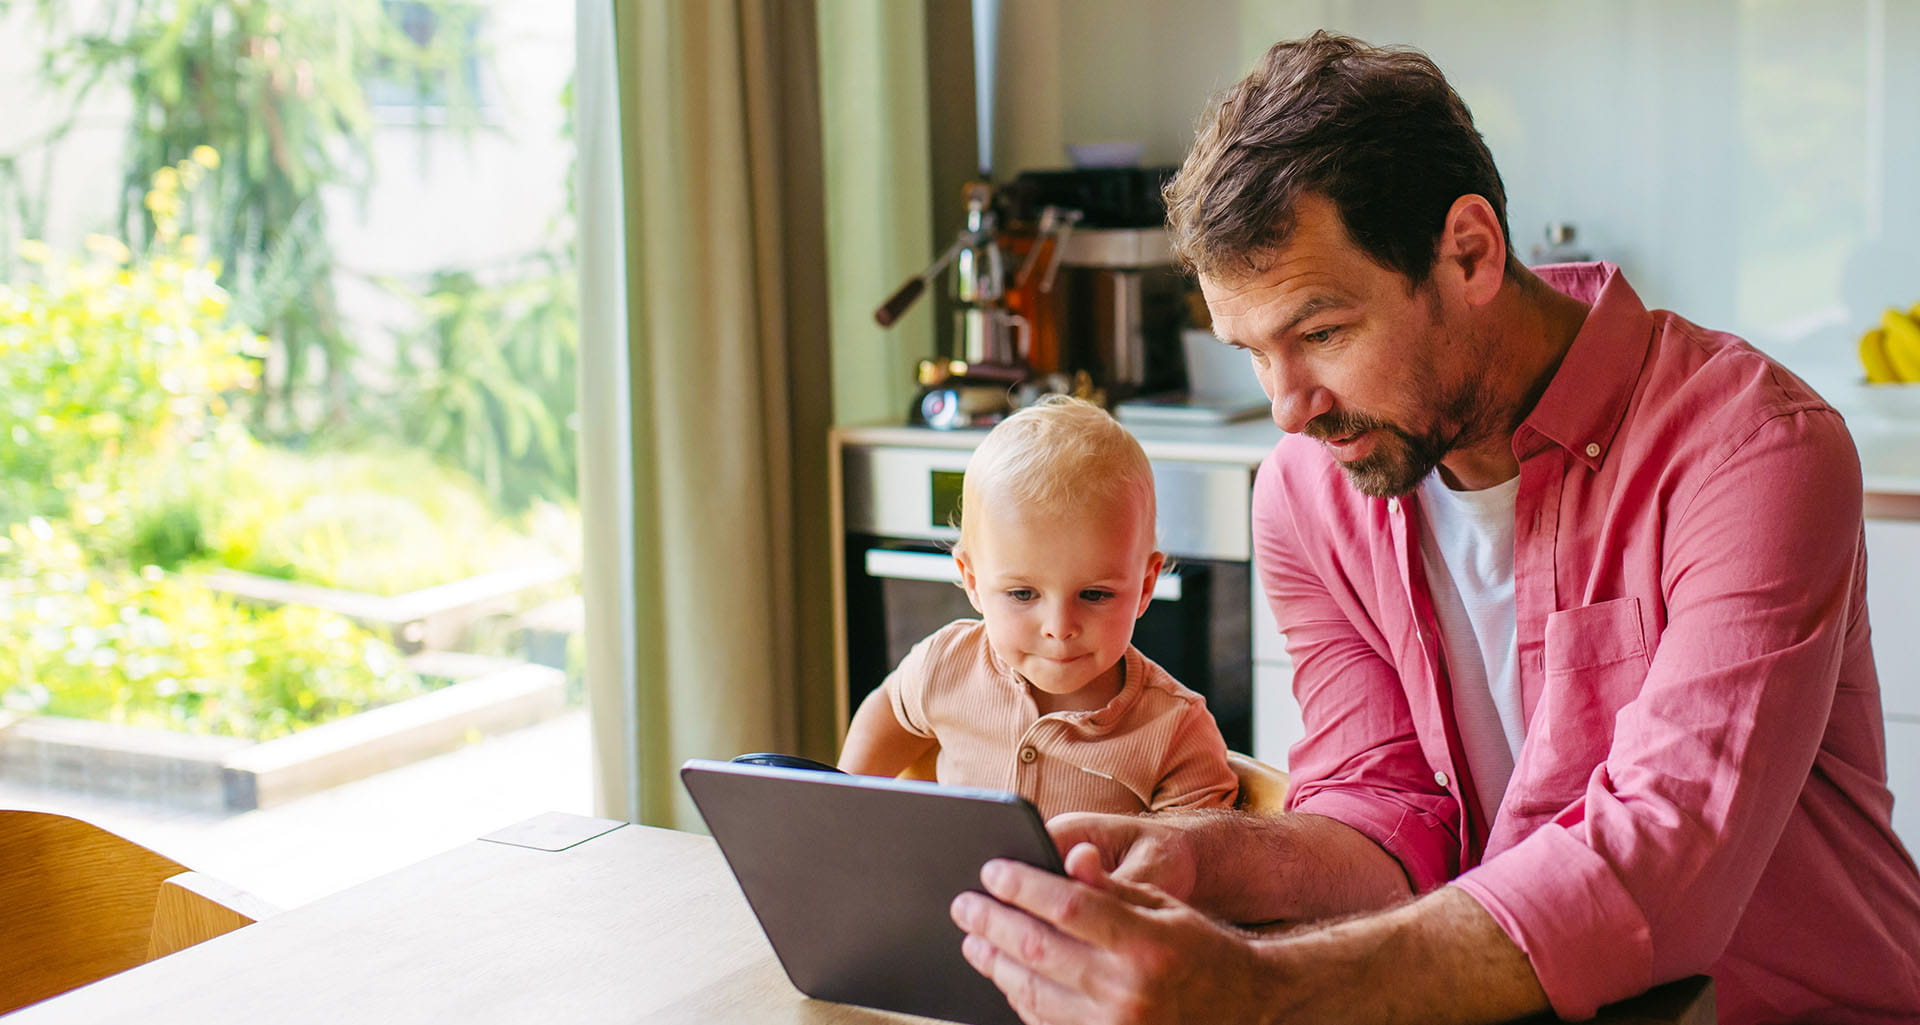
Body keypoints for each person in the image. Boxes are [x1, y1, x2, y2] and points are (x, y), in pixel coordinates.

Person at [946, 31, 1920, 1025]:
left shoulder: (1752, 451)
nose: (1287, 406)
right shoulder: (1309, 494)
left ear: (1470, 252)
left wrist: (1255, 989)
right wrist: (1196, 856)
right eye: (1251, 349)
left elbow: (1652, 872)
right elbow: (1387, 819)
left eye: (1321, 331)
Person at [838, 395, 1239, 821]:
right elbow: (891, 712)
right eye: (1023, 595)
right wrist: (843, 799)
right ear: (972, 581)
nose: (1059, 628)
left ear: (1145, 586)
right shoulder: (945, 663)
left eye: (1095, 595)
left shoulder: (1177, 730)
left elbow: (1197, 861)